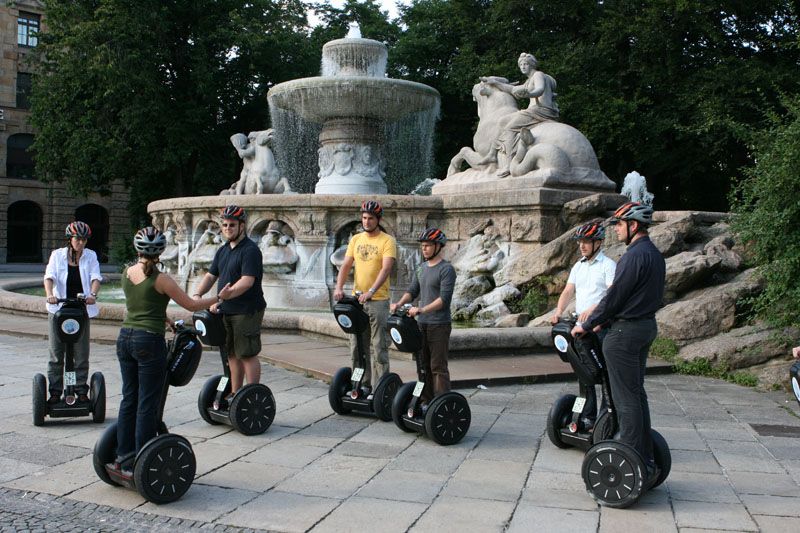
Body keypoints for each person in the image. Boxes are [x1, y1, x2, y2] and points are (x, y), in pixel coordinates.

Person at [112, 227, 225, 473]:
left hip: (125, 338)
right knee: (147, 402)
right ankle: (143, 457)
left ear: (137, 249)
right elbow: (191, 304)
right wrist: (218, 298)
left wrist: (168, 321)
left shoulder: (126, 273)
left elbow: (142, 305)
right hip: (148, 342)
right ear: (161, 251)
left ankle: (123, 455)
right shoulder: (162, 279)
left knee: (129, 398)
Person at [571, 201, 665, 483]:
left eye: (620, 225)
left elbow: (614, 298)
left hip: (623, 336)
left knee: (624, 400)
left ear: (633, 226)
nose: (617, 230)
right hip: (645, 327)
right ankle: (646, 457)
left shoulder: (633, 256)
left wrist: (586, 325)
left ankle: (632, 456)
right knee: (637, 394)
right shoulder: (654, 255)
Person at [193, 205, 267, 398]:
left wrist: (227, 294)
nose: (227, 228)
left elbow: (247, 281)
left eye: (232, 225)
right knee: (232, 354)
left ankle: (253, 395)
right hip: (227, 309)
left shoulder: (250, 250)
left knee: (247, 353)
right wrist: (197, 295)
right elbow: (210, 276)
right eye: (224, 225)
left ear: (242, 226)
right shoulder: (223, 250)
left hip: (246, 310)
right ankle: (235, 393)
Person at [551, 220, 616, 428]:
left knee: (605, 374)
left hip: (600, 328)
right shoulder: (578, 266)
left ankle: (607, 417)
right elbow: (568, 291)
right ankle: (587, 417)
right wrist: (559, 311)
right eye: (580, 241)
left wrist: (595, 309)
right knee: (583, 372)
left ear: (599, 242)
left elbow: (612, 295)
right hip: (580, 328)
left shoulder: (608, 265)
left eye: (587, 241)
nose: (582, 245)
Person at [334, 200, 397, 394]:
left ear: (378, 220)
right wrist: (338, 288)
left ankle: (381, 388)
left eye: (370, 218)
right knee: (357, 346)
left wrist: (371, 291)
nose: (366, 221)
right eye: (364, 218)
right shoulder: (356, 239)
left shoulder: (387, 241)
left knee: (378, 346)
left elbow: (386, 268)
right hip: (357, 301)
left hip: (378, 300)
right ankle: (360, 384)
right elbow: (345, 265)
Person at [391, 228, 456, 408]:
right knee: (423, 365)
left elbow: (444, 300)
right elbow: (412, 291)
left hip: (439, 325)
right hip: (422, 325)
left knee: (438, 367)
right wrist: (398, 304)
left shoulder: (447, 269)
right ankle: (426, 402)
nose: (424, 249)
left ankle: (443, 404)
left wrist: (421, 310)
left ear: (438, 246)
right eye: (423, 246)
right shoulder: (421, 268)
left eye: (428, 246)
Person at [43, 221, 102, 404]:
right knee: (56, 353)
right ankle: (55, 391)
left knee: (81, 353)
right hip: (58, 310)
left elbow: (95, 278)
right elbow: (49, 277)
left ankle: (80, 389)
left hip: (80, 310)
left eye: (84, 239)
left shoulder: (90, 256)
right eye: (78, 239)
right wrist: (50, 295)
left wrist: (92, 294)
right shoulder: (57, 255)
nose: (82, 243)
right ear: (70, 239)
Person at [482, 52, 559, 176]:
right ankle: (494, 153)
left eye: (525, 64)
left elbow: (539, 89)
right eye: (521, 64)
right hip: (533, 110)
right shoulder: (529, 81)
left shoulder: (538, 75)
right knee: (502, 121)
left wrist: (529, 94)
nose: (523, 66)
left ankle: (508, 163)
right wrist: (494, 82)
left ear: (532, 65)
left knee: (510, 127)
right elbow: (512, 89)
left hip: (541, 111)